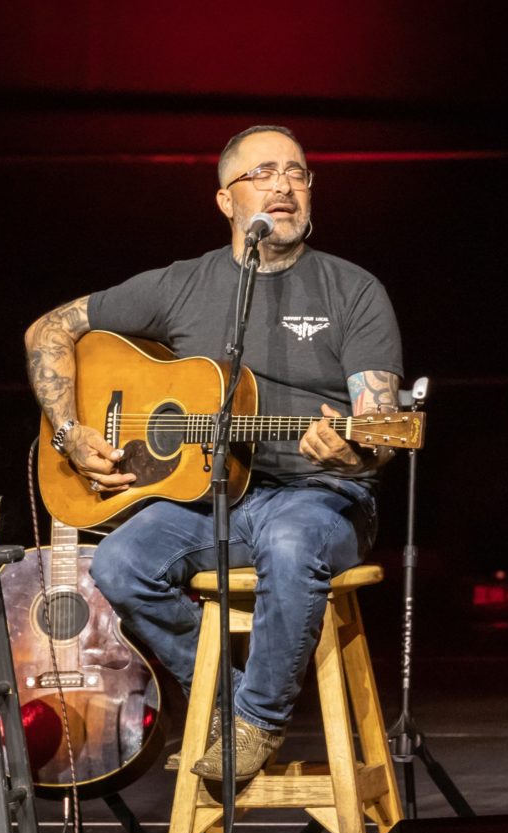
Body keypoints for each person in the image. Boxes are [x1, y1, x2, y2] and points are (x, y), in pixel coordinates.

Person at [23, 125, 404, 783]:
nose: (284, 186)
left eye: (298, 172)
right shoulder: (183, 285)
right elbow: (49, 329)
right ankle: (229, 701)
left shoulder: (354, 291)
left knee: (291, 544)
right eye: (263, 173)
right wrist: (68, 430)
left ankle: (257, 723)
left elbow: (380, 431)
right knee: (119, 561)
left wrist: (348, 450)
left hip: (323, 498)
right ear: (226, 201)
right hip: (213, 500)